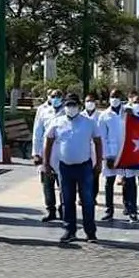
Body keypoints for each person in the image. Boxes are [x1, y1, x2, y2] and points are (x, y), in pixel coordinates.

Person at [44, 94, 104, 243]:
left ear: (79, 106)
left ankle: (90, 232)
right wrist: (46, 163)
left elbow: (98, 142)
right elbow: (48, 141)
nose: (71, 108)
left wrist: (99, 163)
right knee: (67, 200)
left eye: (74, 105)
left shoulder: (89, 123)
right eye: (68, 105)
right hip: (65, 167)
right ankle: (69, 230)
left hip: (84, 166)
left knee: (87, 200)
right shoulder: (57, 122)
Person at [99, 89, 139, 223]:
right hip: (112, 154)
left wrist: (134, 115)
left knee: (130, 182)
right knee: (109, 183)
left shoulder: (128, 111)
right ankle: (109, 211)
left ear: (121, 98)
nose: (115, 99)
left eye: (117, 96)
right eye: (112, 96)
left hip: (127, 153)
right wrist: (106, 156)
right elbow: (102, 138)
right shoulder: (104, 115)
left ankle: (132, 211)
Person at [32, 89, 64, 221]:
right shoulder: (42, 110)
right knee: (47, 183)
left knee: (64, 184)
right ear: (49, 97)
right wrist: (36, 153)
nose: (56, 98)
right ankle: (50, 210)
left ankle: (63, 209)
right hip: (46, 151)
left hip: (62, 152)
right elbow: (37, 132)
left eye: (58, 96)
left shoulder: (67, 110)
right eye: (53, 96)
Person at [82, 93, 102, 204]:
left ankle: (93, 197)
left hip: (96, 149)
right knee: (82, 175)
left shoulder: (101, 116)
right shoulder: (80, 116)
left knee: (95, 175)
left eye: (92, 101)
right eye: (87, 101)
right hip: (83, 149)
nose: (90, 103)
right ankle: (82, 197)